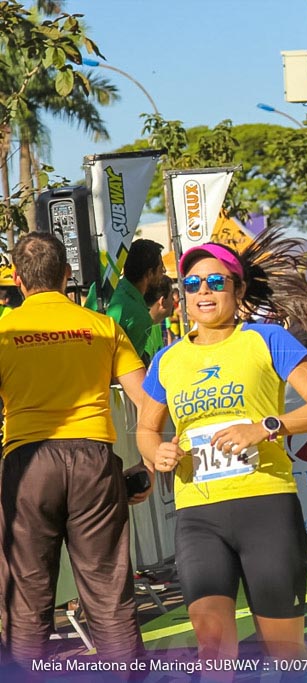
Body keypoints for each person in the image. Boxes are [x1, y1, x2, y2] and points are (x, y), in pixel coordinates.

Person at [136, 231, 307, 665]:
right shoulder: (168, 360)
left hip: (265, 507)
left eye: (216, 282)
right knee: (211, 643)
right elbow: (145, 430)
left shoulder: (267, 339)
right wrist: (156, 454)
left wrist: (267, 427)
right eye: (192, 285)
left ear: (239, 289)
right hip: (198, 516)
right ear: (182, 296)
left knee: (284, 650)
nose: (204, 292)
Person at [0, 232, 150, 669]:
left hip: (28, 463)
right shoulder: (102, 325)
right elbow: (147, 401)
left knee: (26, 602)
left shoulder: (5, 330)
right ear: (67, 274)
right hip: (93, 459)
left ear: (18, 279)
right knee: (109, 597)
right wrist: (150, 460)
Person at [106, 238, 165, 364]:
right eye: (161, 269)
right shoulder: (140, 316)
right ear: (149, 273)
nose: (163, 274)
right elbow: (128, 368)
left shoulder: (103, 288)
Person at [143, 274, 175, 362]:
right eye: (171, 296)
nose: (174, 301)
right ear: (162, 301)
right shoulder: (141, 329)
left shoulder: (156, 324)